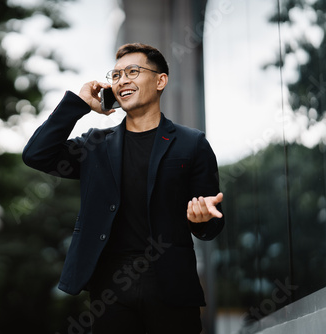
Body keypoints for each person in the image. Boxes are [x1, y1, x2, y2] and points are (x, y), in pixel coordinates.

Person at [22, 43, 225, 334]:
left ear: (160, 81)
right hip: (110, 286)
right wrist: (78, 104)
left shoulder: (191, 143)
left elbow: (214, 221)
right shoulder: (95, 145)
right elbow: (36, 154)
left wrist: (202, 220)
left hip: (170, 282)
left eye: (133, 71)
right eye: (115, 76)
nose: (122, 80)